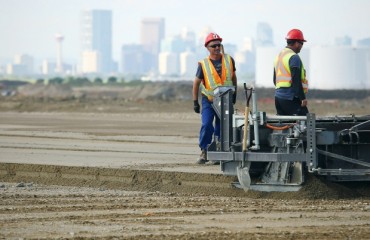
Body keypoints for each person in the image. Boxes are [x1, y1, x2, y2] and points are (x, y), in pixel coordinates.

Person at [192, 33, 237, 164]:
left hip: (225, 101)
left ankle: (218, 151)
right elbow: (196, 83)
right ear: (207, 47)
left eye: (219, 45)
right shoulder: (203, 64)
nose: (217, 48)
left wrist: (234, 94)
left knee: (222, 127)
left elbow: (233, 78)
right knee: (206, 125)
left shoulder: (229, 60)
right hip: (209, 100)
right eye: (214, 46)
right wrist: (195, 102)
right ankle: (204, 151)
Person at [273, 29, 309, 116]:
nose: (301, 46)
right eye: (302, 43)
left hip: (278, 98)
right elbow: (296, 80)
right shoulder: (294, 57)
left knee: (285, 125)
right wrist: (302, 98)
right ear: (297, 43)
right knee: (306, 122)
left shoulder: (279, 56)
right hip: (290, 97)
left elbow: (274, 80)